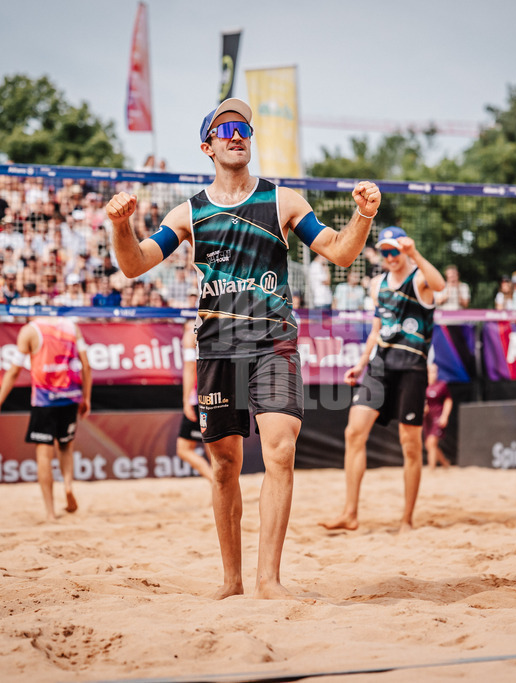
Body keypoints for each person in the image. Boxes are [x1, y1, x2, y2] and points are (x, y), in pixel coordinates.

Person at [105, 97, 381, 599]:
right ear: (207, 145)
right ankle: (232, 581)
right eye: (226, 128)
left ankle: (268, 579)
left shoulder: (283, 201)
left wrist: (362, 217)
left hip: (273, 343)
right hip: (216, 351)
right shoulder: (190, 212)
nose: (238, 134)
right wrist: (122, 226)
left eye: (244, 129)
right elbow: (134, 264)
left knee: (280, 450)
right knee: (225, 466)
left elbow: (340, 251)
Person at [320, 225, 445, 533]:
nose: (389, 257)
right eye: (385, 252)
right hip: (380, 366)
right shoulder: (377, 284)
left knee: (410, 443)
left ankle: (406, 519)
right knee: (354, 433)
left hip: (411, 366)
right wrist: (361, 364)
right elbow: (376, 329)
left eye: (394, 251)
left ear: (403, 250)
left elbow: (440, 285)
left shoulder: (419, 280)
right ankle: (350, 513)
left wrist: (414, 253)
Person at [0, 317, 92, 522]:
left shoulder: (29, 331)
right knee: (65, 447)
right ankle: (68, 486)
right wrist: (86, 397)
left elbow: (14, 371)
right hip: (70, 397)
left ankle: (51, 513)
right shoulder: (71, 326)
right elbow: (86, 366)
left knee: (44, 457)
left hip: (44, 401)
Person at [175, 321, 214, 483]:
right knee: (213, 448)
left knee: (183, 449)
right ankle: (220, 486)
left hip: (199, 398)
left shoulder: (191, 334)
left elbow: (190, 368)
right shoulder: (217, 328)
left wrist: (186, 401)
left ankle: (216, 482)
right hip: (216, 395)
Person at [423, 362, 452, 470]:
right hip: (427, 419)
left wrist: (445, 416)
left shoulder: (441, 385)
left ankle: (431, 469)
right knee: (429, 445)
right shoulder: (423, 385)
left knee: (431, 443)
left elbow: (448, 401)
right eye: (431, 371)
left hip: (437, 417)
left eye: (435, 371)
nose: (433, 374)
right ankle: (445, 463)